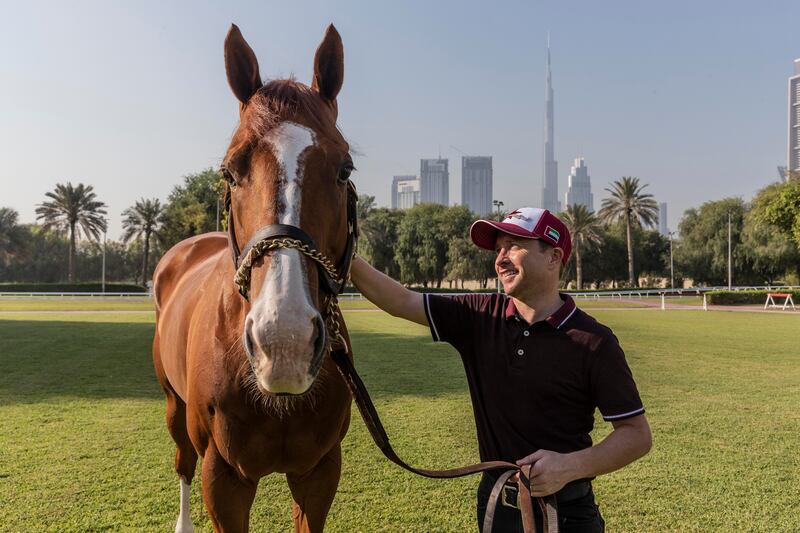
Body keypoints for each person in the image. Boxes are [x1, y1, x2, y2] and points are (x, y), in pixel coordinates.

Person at [349, 207, 652, 532]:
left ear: (553, 257)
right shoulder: (480, 316)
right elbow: (400, 301)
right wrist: (343, 251)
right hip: (495, 506)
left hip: (565, 513)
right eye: (498, 249)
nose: (501, 258)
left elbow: (636, 435)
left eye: (514, 246)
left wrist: (568, 466)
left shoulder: (594, 341)